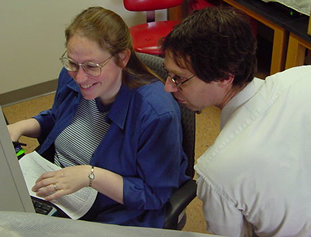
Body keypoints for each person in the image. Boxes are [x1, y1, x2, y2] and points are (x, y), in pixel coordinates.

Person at [7, 6, 189, 228]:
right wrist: (22, 126)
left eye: (92, 67)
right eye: (73, 63)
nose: (80, 77)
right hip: (56, 187)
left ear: (122, 58)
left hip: (112, 209)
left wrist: (90, 176)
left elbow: (153, 194)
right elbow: (60, 120)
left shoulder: (155, 112)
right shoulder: (71, 75)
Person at [161, 5, 311, 237]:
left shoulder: (217, 172)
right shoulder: (302, 77)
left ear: (224, 77)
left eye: (179, 78)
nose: (168, 87)